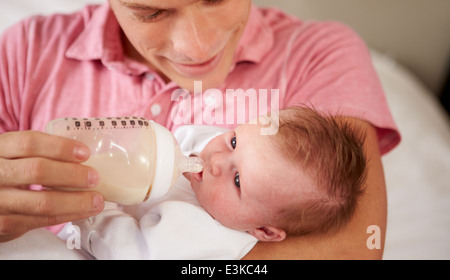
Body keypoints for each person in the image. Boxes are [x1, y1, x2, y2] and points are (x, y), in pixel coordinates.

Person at [0, 0, 400, 259]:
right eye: (150, 12)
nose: (196, 48)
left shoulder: (318, 54)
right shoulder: (26, 53)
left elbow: (352, 250)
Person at [71, 107, 367, 259]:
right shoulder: (211, 151)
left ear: (263, 230)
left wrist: (93, 205)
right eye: (235, 140)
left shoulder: (207, 240)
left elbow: (127, 251)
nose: (214, 161)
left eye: (237, 179)